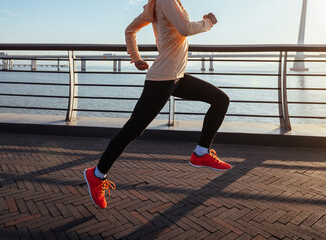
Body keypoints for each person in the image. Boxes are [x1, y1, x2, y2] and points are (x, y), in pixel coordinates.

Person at [84, 0, 231, 209]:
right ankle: (96, 175)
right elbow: (185, 28)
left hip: (176, 77)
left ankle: (201, 153)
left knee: (220, 100)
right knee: (133, 129)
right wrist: (208, 22)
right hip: (162, 80)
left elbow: (130, 30)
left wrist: (136, 59)